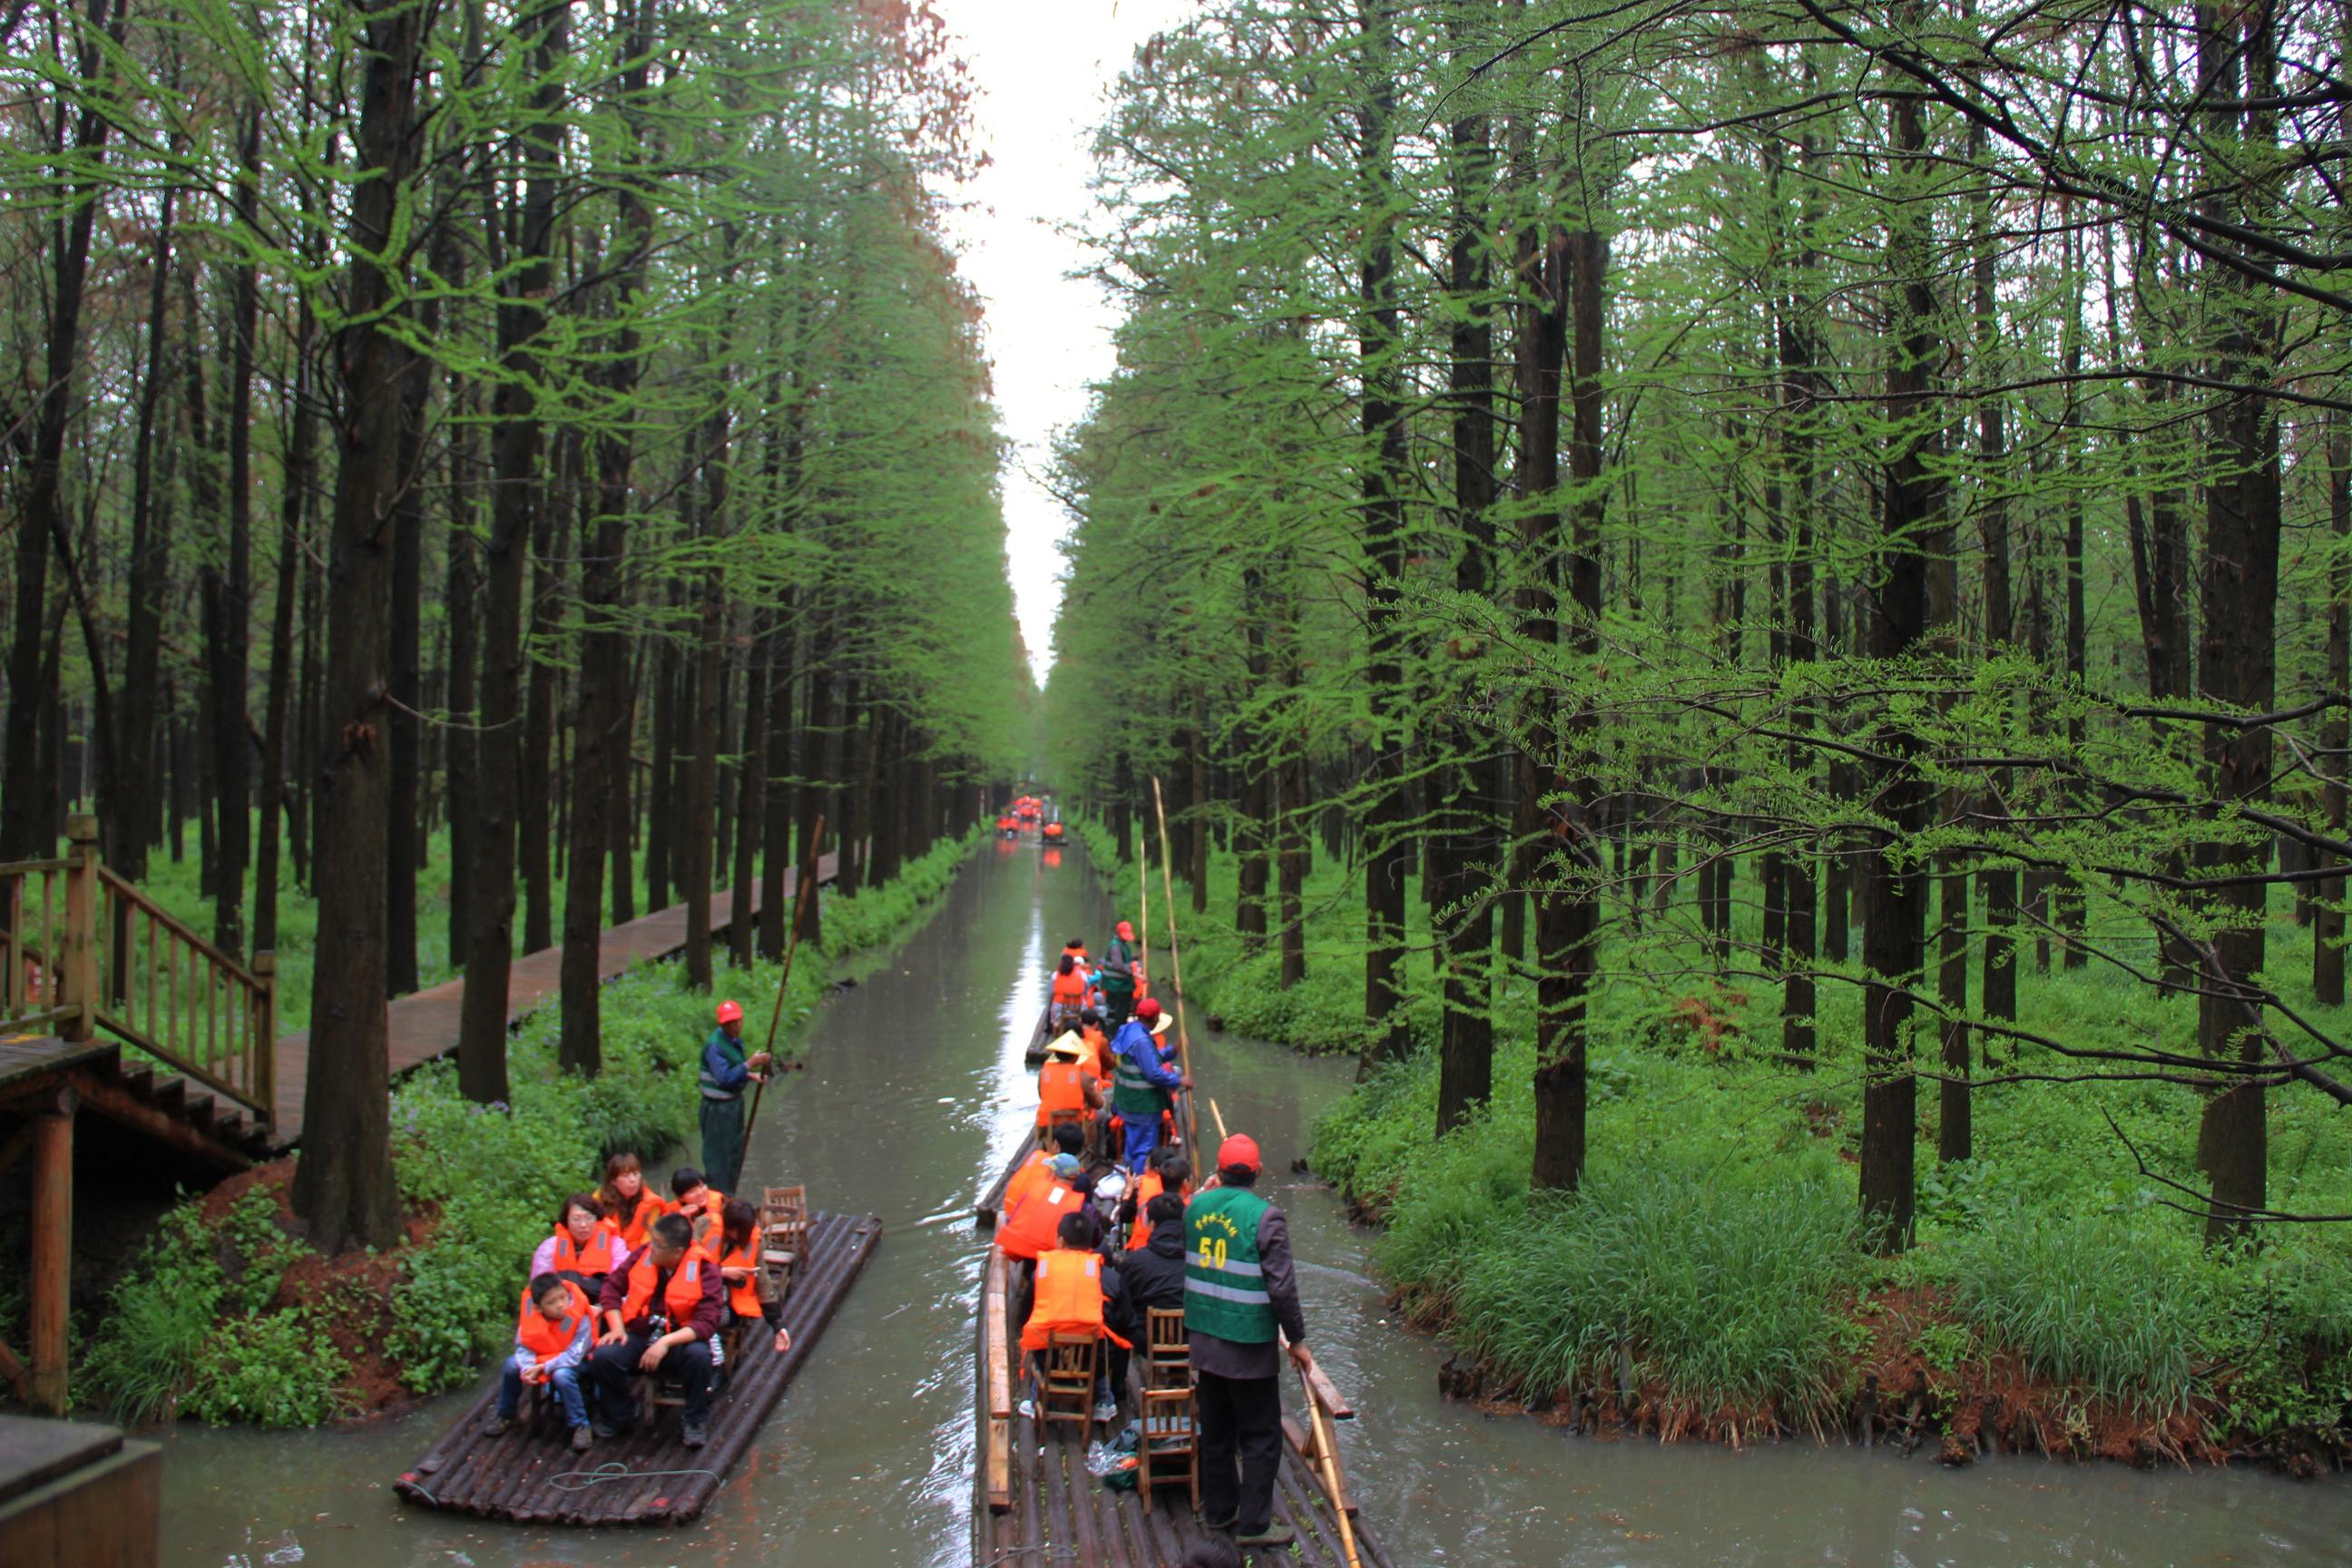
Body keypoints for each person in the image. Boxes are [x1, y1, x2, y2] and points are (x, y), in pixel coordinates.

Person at [1185, 1133, 1310, 1549]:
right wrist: (1298, 1340)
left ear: (1219, 1173)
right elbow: (1283, 1288)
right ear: (1257, 1172)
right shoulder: (1266, 1217)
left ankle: (1220, 1510)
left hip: (1205, 1343)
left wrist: (1207, 1188)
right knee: (1260, 1436)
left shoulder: (1195, 1208)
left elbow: (1194, 1206)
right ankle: (1255, 1524)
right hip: (1249, 1347)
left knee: (1217, 1431)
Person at [588, 1211, 725, 1447]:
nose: (652, 1248)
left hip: (680, 1342)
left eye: (659, 1246)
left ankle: (694, 1420)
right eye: (652, 1241)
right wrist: (618, 1327)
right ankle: (620, 1414)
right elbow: (611, 1287)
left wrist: (665, 1343)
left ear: (677, 1252)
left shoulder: (705, 1270)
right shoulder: (643, 1255)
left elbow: (707, 1321)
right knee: (604, 1355)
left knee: (699, 1356)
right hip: (641, 1334)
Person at [1018, 1210, 1129, 1426]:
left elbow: (1025, 1317)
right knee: (1107, 1340)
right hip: (1092, 1364)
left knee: (1039, 1334)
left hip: (1050, 1361)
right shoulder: (1109, 1277)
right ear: (1091, 1243)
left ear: (1060, 1241)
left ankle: (1036, 1400)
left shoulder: (1040, 1273)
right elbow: (1124, 1322)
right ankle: (1102, 1400)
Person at [485, 1272, 595, 1450]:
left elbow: (575, 1355)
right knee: (511, 1365)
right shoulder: (531, 1319)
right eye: (551, 1302)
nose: (560, 1305)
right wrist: (528, 1368)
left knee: (562, 1376)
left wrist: (545, 1367)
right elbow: (523, 1346)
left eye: (563, 1298)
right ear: (538, 1308)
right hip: (540, 1360)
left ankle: (580, 1424)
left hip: (574, 1363)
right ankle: (506, 1414)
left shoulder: (579, 1316)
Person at [698, 1000, 772, 1194]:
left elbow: (732, 1068)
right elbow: (723, 1078)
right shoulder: (715, 1046)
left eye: (738, 1021)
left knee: (734, 1154)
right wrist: (750, 1063)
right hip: (718, 1110)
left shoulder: (734, 1041)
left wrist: (748, 1075)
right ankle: (718, 1199)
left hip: (733, 1106)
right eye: (731, 1023)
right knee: (718, 1159)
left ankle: (729, 1196)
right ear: (722, 1025)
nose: (736, 1026)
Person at [1111, 998, 1187, 1174]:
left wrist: (1171, 1051)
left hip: (1127, 1101)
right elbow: (1153, 1073)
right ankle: (1140, 1184)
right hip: (1142, 1105)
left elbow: (1147, 1059)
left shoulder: (1129, 1030)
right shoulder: (1142, 1041)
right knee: (1144, 1150)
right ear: (1153, 1019)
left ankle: (1131, 1177)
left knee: (1133, 1144)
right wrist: (1180, 1081)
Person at [713, 1198, 793, 1356]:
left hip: (728, 1304)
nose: (746, 1234)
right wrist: (722, 1272)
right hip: (701, 1295)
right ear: (730, 1228)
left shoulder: (754, 1240)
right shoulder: (705, 1229)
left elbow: (763, 1281)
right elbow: (688, 1269)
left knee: (711, 1318)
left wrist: (778, 1324)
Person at [997, 1152, 1087, 1265]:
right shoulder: (1080, 1204)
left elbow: (1013, 1217)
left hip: (1025, 1255)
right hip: (1052, 1260)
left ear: (1053, 1174)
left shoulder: (1035, 1189)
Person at [534, 1193, 622, 1298]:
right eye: (576, 1219)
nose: (583, 1225)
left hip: (602, 1303)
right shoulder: (550, 1247)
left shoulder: (616, 1246)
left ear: (597, 1220)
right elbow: (540, 1287)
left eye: (588, 1218)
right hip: (563, 1306)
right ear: (566, 1221)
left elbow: (620, 1285)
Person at [1004, 1122, 1085, 1222]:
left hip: (1009, 1210)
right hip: (1033, 1219)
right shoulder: (1075, 1174)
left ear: (1055, 1145)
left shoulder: (1037, 1155)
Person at [1125, 1191, 1189, 1311]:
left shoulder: (1134, 1261)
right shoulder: (1198, 1260)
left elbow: (1123, 1308)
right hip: (1190, 1328)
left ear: (1151, 1225)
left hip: (1144, 1328)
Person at [598, 1152, 671, 1253]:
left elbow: (649, 1237)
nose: (633, 1180)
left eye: (636, 1174)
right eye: (625, 1175)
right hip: (610, 1254)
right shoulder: (599, 1202)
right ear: (613, 1181)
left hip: (638, 1256)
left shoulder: (651, 1204)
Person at [1035, 1031, 1104, 1137]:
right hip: (1075, 1126)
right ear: (1076, 1056)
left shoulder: (1043, 1073)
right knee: (1099, 1115)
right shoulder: (1083, 1076)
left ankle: (1046, 1146)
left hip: (1048, 1124)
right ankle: (1090, 1148)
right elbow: (1098, 1104)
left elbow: (1041, 1096)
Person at [1123, 1152, 1191, 1252]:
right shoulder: (1191, 1209)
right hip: (1175, 1258)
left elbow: (1124, 1215)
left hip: (1141, 1253)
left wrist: (1129, 1190)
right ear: (1185, 1183)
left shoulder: (1144, 1202)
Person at [1098, 919, 1144, 1029]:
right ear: (1118, 933)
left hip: (1123, 986)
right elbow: (1118, 965)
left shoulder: (1123, 944)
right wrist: (1135, 974)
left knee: (1122, 1014)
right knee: (1115, 1015)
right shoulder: (1116, 946)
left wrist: (1138, 956)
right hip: (1116, 986)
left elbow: (1124, 959)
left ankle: (1119, 1035)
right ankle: (1111, 1038)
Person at [671, 1166, 728, 1247]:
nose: (700, 1193)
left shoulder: (720, 1202)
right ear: (680, 1198)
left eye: (701, 1186)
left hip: (714, 1249)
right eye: (692, 1191)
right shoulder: (673, 1213)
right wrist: (681, 1220)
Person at [1049, 953, 1089, 1032]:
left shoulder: (1055, 975)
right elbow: (1086, 990)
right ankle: (1080, 1024)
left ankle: (1056, 1024)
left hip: (1059, 1009)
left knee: (1054, 1004)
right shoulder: (1082, 974)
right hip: (1078, 1008)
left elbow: (1051, 992)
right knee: (1084, 1001)